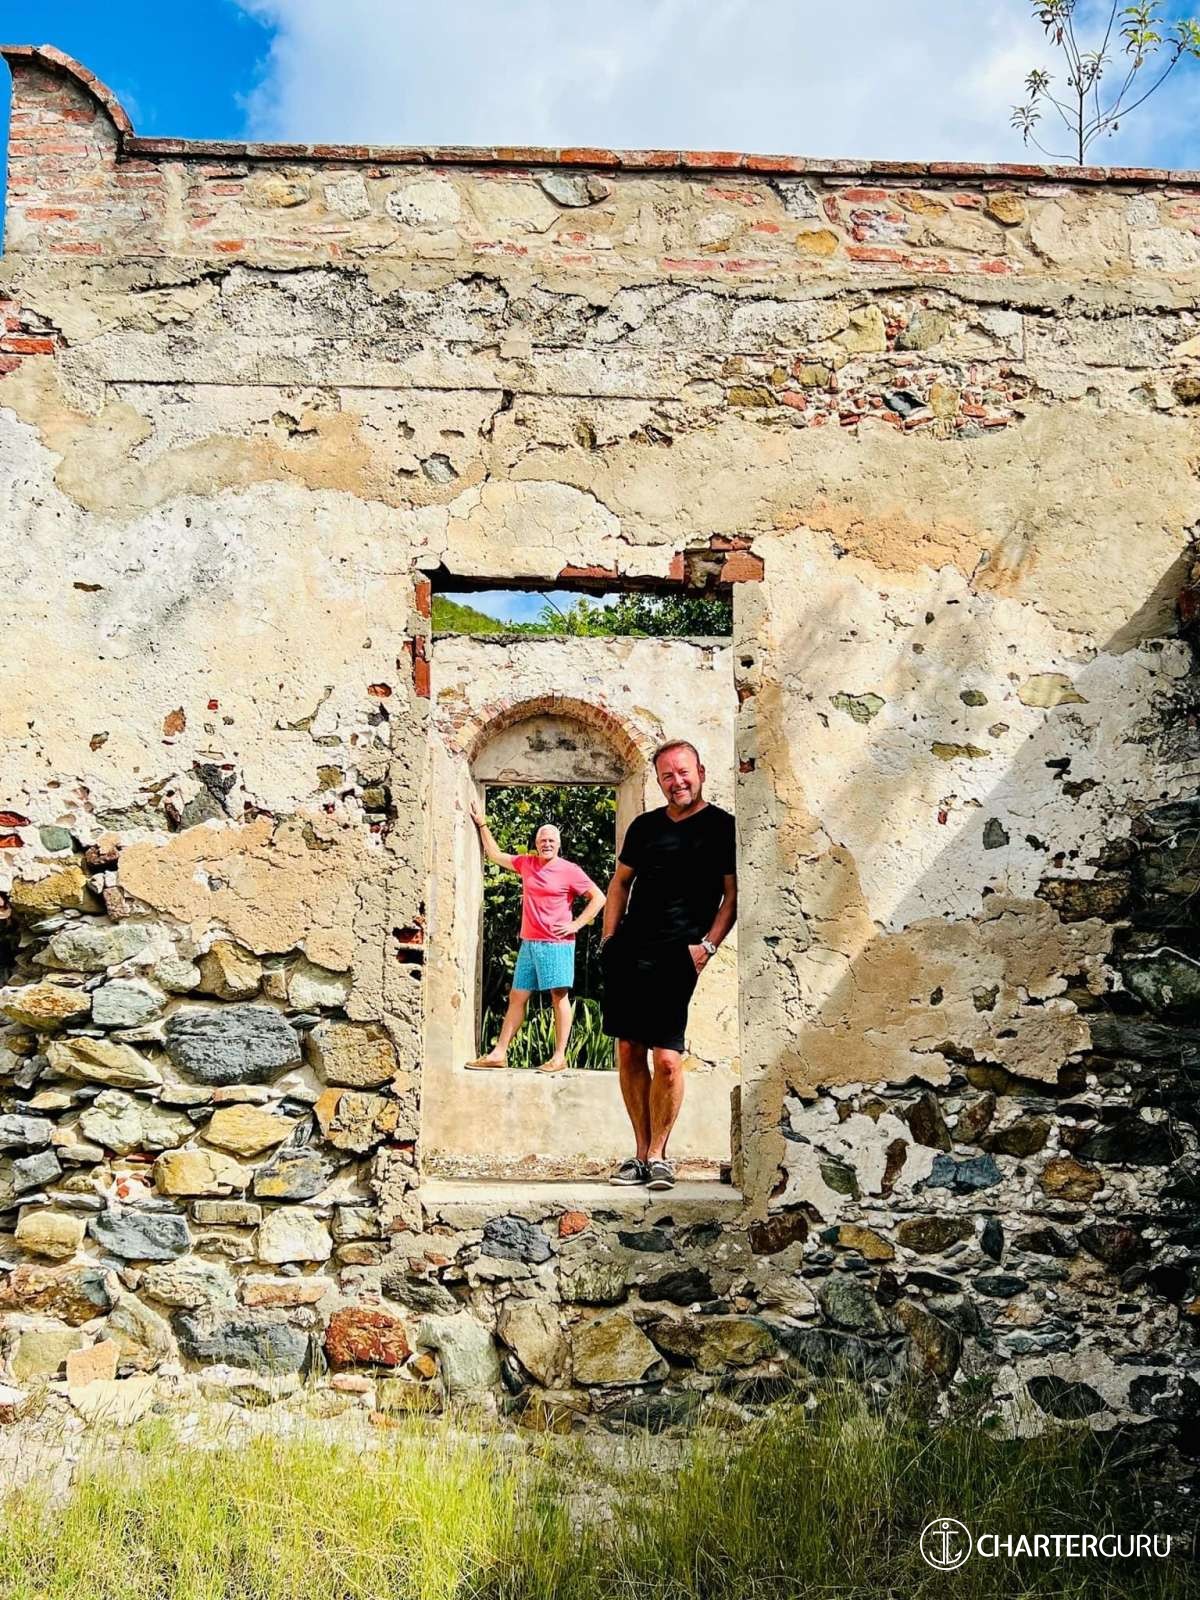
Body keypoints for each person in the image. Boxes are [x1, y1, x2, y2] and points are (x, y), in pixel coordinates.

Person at [599, 740, 737, 1190]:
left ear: (701, 772)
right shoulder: (644, 827)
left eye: (683, 772)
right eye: (667, 776)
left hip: (680, 954)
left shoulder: (723, 828)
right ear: (659, 781)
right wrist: (609, 940)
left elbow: (732, 896)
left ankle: (661, 1153)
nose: (677, 782)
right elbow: (620, 883)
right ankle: (641, 1155)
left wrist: (708, 947)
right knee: (628, 1049)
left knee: (668, 1059)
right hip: (630, 949)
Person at [466, 799, 606, 1074]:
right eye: (543, 840)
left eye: (551, 840)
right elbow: (495, 855)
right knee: (517, 997)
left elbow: (598, 897)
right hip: (529, 944)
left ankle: (559, 1057)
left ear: (559, 844)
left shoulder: (569, 870)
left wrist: (576, 924)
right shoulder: (526, 863)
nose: (547, 844)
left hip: (557, 944)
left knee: (558, 997)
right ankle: (499, 1054)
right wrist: (482, 824)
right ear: (536, 843)